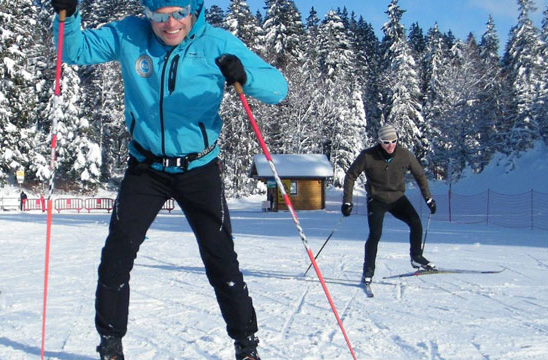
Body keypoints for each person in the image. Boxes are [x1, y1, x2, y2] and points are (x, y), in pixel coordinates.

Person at [48, 0, 287, 359]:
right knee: (117, 256)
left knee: (221, 260)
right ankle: (110, 346)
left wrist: (244, 76)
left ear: (194, 11)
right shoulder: (130, 35)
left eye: (178, 13)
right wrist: (68, 15)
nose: (170, 23)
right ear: (148, 14)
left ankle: (246, 346)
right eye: (160, 15)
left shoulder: (216, 44)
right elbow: (74, 50)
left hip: (198, 170)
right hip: (146, 168)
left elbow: (278, 88)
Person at [341, 124, 437, 285]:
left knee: (415, 222)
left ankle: (416, 257)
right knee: (375, 234)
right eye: (386, 142)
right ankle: (368, 270)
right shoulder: (368, 156)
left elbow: (420, 175)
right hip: (376, 200)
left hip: (397, 199)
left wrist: (428, 198)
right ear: (379, 142)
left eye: (394, 141)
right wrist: (347, 201)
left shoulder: (404, 155)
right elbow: (350, 175)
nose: (391, 145)